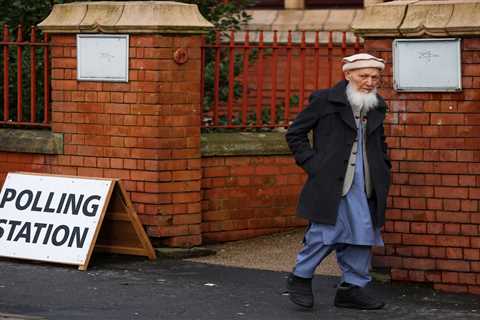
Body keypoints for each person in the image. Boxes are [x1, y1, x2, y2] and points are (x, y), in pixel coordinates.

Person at [285, 53, 391, 310]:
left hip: (366, 182)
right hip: (333, 181)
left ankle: (352, 288)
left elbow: (379, 142)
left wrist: (384, 167)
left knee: (363, 234)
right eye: (363, 76)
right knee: (326, 233)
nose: (369, 82)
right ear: (348, 75)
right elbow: (295, 133)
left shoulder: (377, 104)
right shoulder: (324, 100)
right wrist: (313, 165)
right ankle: (300, 276)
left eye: (375, 77)